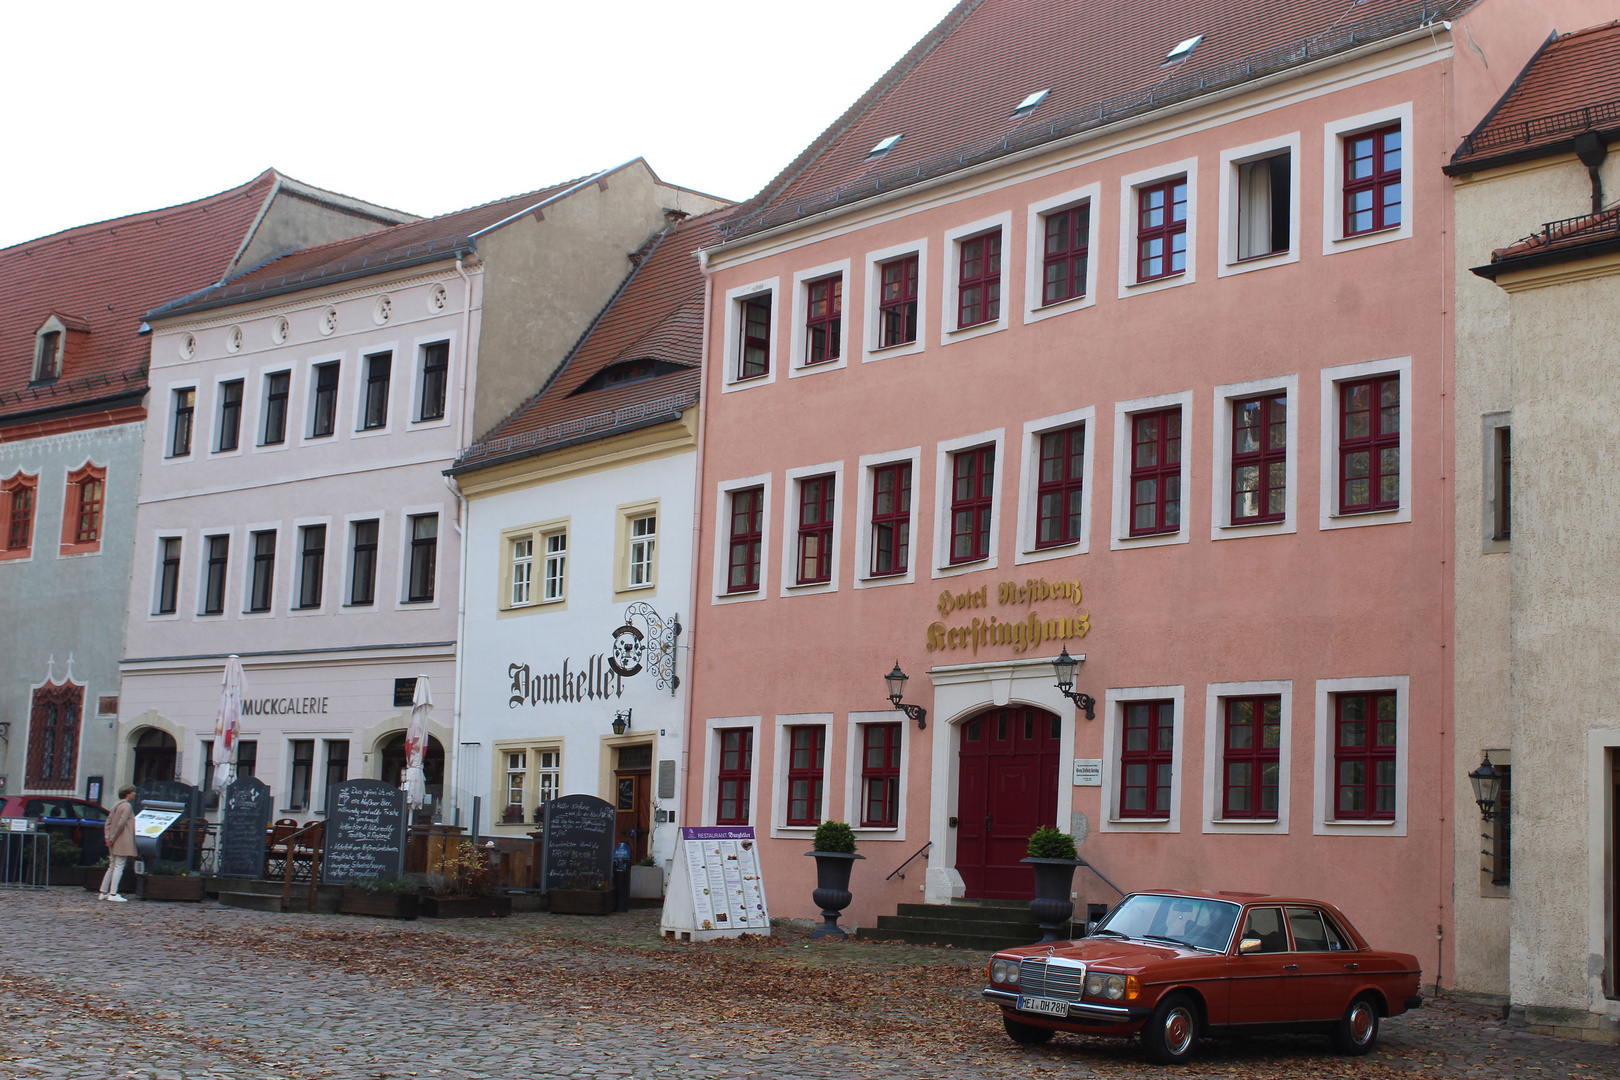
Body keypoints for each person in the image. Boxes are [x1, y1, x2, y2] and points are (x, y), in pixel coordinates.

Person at [99, 785, 138, 902]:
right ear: (128, 793)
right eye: (133, 792)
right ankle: (113, 893)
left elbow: (108, 822)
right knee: (119, 866)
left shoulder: (116, 805)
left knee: (112, 865)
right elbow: (122, 823)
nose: (134, 794)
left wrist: (108, 837)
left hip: (113, 838)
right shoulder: (127, 806)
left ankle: (103, 892)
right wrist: (114, 837)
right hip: (122, 839)